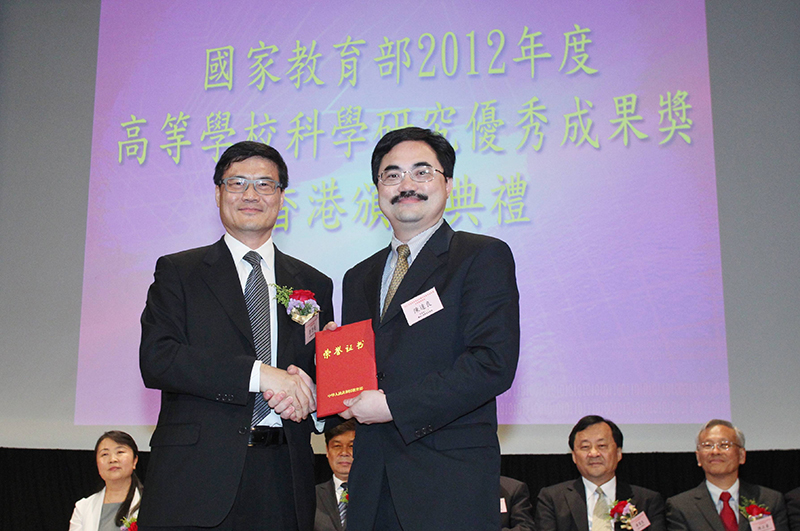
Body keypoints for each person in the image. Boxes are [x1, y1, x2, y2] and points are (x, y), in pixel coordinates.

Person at [138, 141, 334, 531]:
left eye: (265, 184)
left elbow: (312, 376)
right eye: (237, 183)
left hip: (285, 479)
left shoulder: (313, 284)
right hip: (197, 479)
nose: (251, 195)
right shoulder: (180, 271)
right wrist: (262, 375)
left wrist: (315, 399)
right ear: (217, 193)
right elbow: (159, 359)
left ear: (281, 197)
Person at [337, 126, 520, 531]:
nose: (406, 185)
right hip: (371, 484)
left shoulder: (480, 256)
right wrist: (322, 378)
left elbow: (493, 363)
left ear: (448, 184)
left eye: (422, 172)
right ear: (378, 189)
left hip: (448, 484)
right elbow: (361, 374)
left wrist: (392, 407)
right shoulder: (358, 277)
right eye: (392, 174)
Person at [535, 415, 666, 531]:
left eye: (602, 446)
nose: (594, 453)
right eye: (585, 447)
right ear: (574, 456)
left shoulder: (647, 501)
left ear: (619, 453)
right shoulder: (553, 499)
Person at [666, 419, 789, 531]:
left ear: (741, 455)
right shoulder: (681, 506)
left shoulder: (770, 500)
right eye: (707, 445)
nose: (715, 451)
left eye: (724, 445)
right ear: (698, 457)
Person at [69, 431, 143, 531]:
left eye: (120, 452)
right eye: (105, 454)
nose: (112, 459)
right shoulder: (83, 508)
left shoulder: (150, 502)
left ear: (135, 461)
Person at [315, 420, 356, 531]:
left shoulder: (375, 494)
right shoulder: (311, 496)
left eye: (351, 446)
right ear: (327, 450)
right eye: (337, 446)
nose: (344, 452)